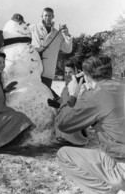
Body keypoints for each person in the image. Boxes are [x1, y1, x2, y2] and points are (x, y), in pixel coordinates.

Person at [56, 56, 125, 194]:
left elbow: (63, 124)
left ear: (86, 76)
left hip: (121, 163)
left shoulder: (94, 95)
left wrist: (71, 95)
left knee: (63, 154)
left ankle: (110, 190)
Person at [30, 7, 72, 88]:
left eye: (50, 15)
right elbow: (24, 44)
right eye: (45, 15)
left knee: (45, 97)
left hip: (48, 72)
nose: (47, 18)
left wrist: (66, 34)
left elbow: (68, 49)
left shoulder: (58, 34)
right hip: (33, 70)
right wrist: (34, 49)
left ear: (53, 16)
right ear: (41, 16)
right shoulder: (33, 28)